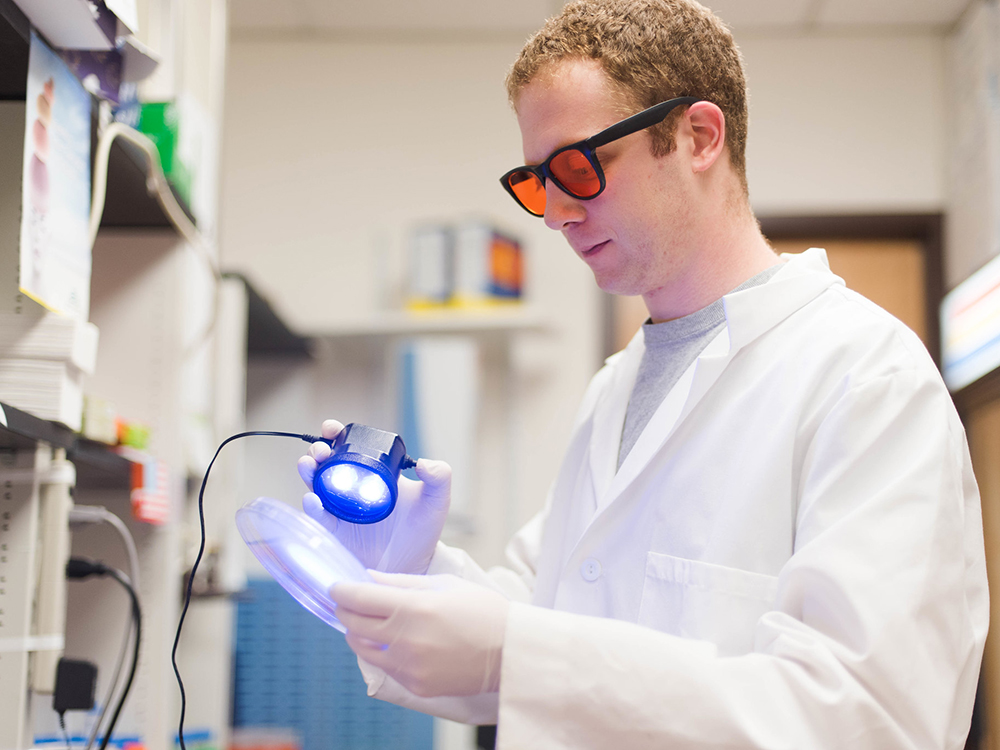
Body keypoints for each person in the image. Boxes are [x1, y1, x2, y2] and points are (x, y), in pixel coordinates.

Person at [297, 1, 989, 747]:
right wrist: (403, 558)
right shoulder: (615, 390)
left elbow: (866, 720)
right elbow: (542, 614)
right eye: (537, 181)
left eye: (576, 166)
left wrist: (517, 653)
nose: (556, 212)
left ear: (697, 136)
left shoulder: (864, 376)